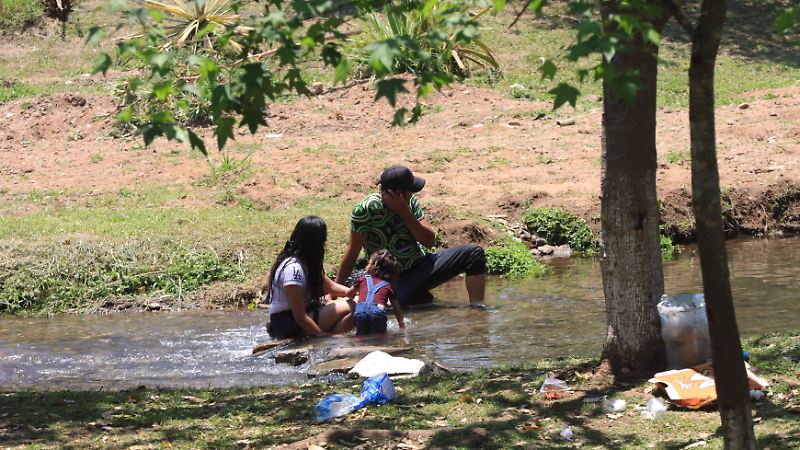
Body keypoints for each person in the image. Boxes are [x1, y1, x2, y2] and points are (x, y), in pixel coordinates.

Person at [336, 165, 487, 309]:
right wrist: (336, 293)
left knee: (474, 253)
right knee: (389, 307)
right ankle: (417, 296)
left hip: (420, 267)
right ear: (399, 193)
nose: (413, 194)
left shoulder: (410, 202)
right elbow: (352, 251)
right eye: (410, 190)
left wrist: (404, 212)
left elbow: (429, 241)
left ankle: (477, 309)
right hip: (390, 280)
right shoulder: (366, 209)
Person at [265, 216, 356, 339]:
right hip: (288, 323)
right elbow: (300, 316)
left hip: (304, 315)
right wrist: (323, 336)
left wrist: (355, 290)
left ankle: (337, 340)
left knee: (359, 302)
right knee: (354, 306)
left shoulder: (307, 262)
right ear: (315, 243)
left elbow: (332, 287)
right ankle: (333, 340)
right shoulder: (293, 269)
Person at [351, 249, 405, 335]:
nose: (366, 266)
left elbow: (348, 293)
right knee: (380, 339)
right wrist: (402, 328)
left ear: (374, 267)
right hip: (377, 314)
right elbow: (397, 310)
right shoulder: (389, 286)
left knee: (360, 338)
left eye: (368, 264)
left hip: (360, 313)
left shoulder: (362, 280)